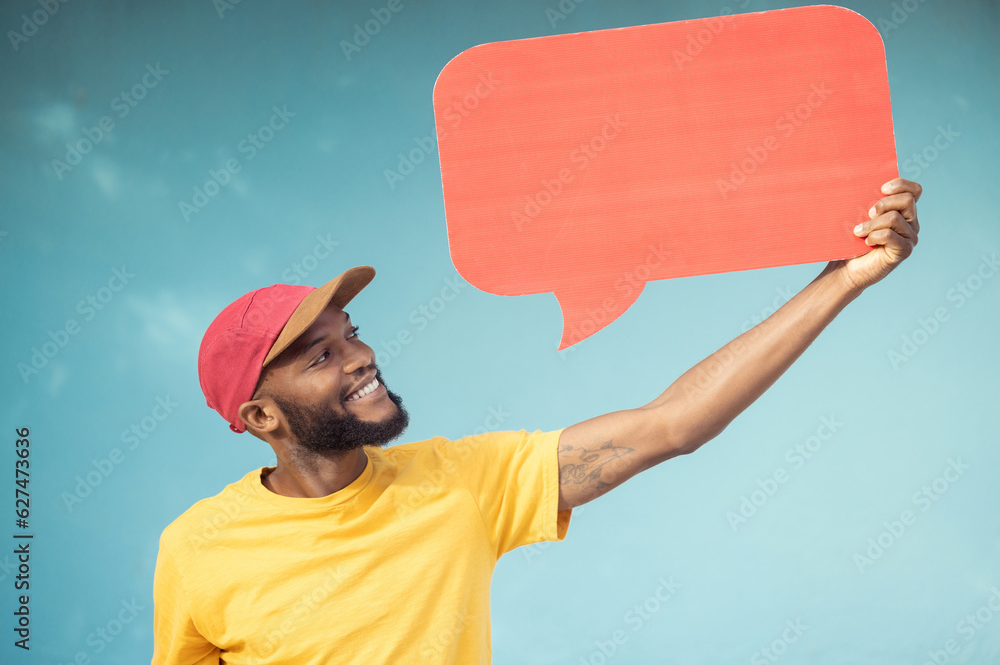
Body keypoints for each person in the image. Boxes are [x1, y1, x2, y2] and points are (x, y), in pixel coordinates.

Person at [151, 178, 921, 664]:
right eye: (320, 357)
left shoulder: (462, 481)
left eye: (352, 332)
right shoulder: (199, 547)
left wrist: (844, 277)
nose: (360, 356)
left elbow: (671, 424)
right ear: (259, 414)